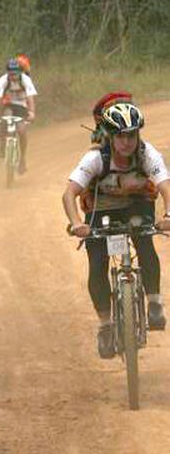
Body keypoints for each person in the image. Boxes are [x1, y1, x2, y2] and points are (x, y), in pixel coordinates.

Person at [62, 102, 170, 358]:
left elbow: (165, 186)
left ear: (138, 135)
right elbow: (69, 194)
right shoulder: (95, 158)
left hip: (137, 205)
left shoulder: (147, 154)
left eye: (131, 134)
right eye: (120, 135)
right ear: (110, 136)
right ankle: (105, 326)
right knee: (97, 263)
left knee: (145, 242)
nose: (126, 142)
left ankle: (154, 304)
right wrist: (78, 223)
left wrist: (168, 214)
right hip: (101, 210)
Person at [0, 57, 38, 173]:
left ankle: (22, 160)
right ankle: (2, 147)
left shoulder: (25, 80)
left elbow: (30, 97)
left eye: (16, 73)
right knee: (4, 119)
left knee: (22, 131)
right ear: (7, 73)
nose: (13, 76)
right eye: (11, 74)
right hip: (8, 105)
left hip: (22, 106)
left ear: (20, 72)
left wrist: (32, 112)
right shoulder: (3, 80)